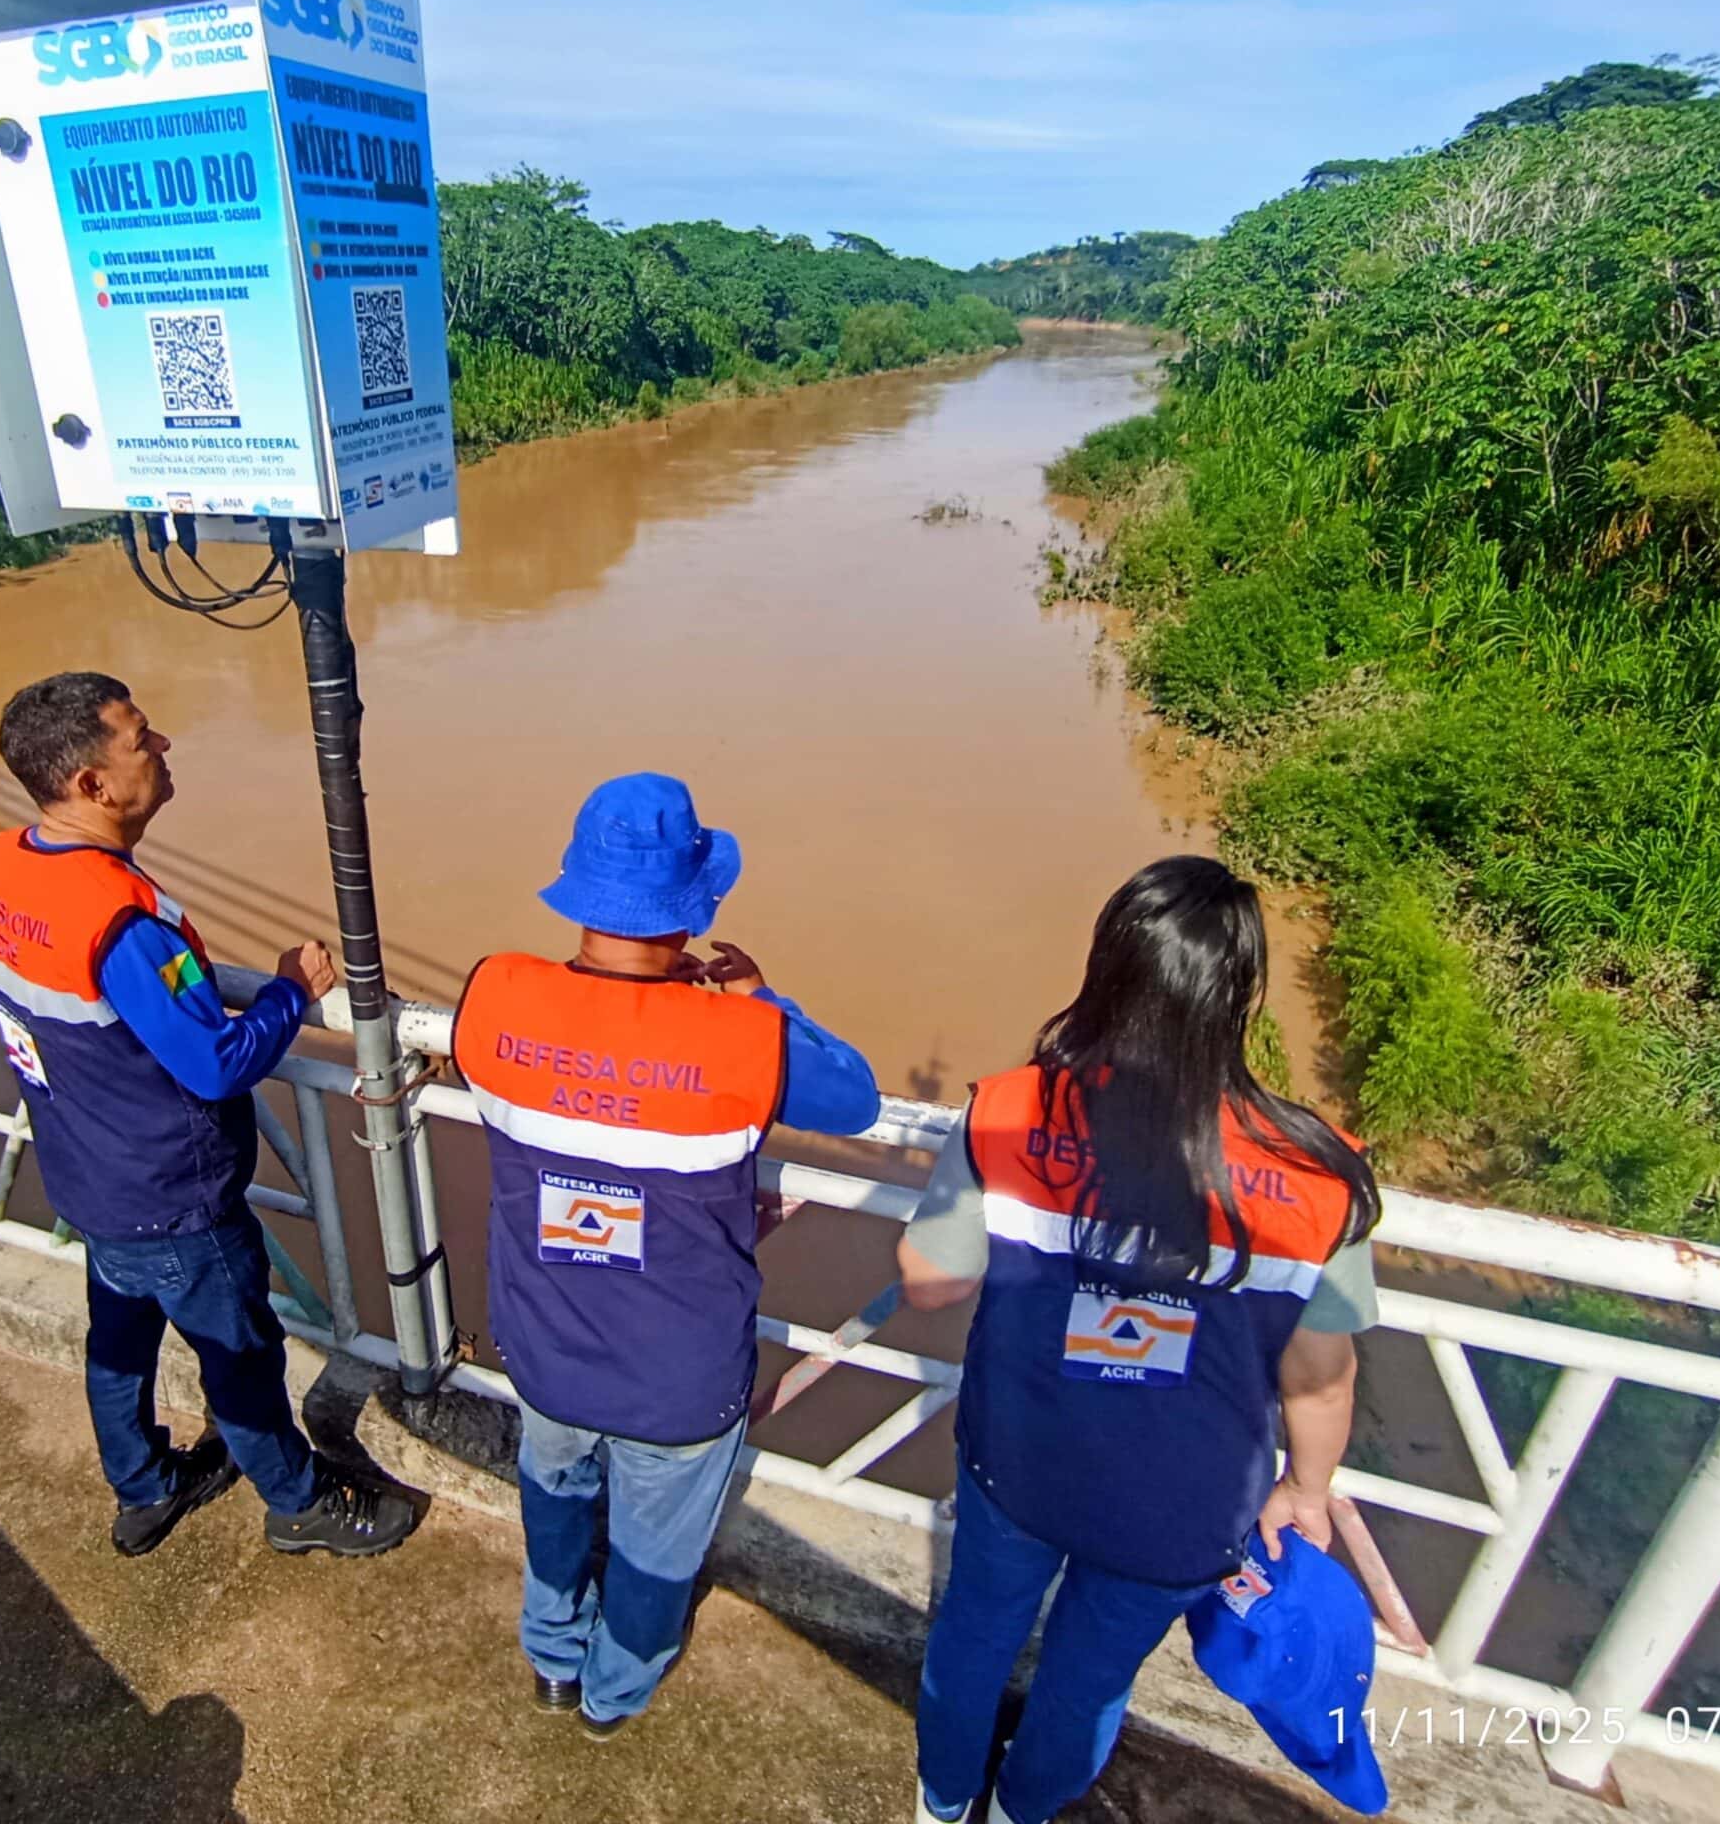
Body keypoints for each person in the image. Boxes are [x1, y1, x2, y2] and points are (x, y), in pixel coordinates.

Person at [897, 855, 1381, 1824]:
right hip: (1187, 1507)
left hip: (1020, 1463)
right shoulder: (1319, 1176)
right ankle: (1024, 1810)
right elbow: (1321, 1378)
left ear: (1106, 971)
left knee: (975, 1636)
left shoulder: (1010, 1112)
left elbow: (930, 1282)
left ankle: (943, 1803)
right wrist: (1306, 1489)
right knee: (1090, 1682)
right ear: (1242, 996)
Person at [0, 671, 417, 1563]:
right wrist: (290, 992)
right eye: (142, 738)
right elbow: (216, 1064)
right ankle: (298, 1504)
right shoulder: (121, 922)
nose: (164, 746)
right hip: (172, 1195)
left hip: (85, 1178)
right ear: (93, 784)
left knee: (120, 1343)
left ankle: (144, 1489)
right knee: (240, 1358)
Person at [450, 773, 882, 1739]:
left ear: (577, 888)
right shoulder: (746, 1037)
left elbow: (524, 1047)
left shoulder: (495, 993)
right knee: (655, 1554)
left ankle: (551, 1656)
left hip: (542, 1344)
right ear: (692, 910)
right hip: (679, 1374)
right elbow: (855, 1098)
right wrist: (759, 994)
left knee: (553, 1502)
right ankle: (613, 1694)